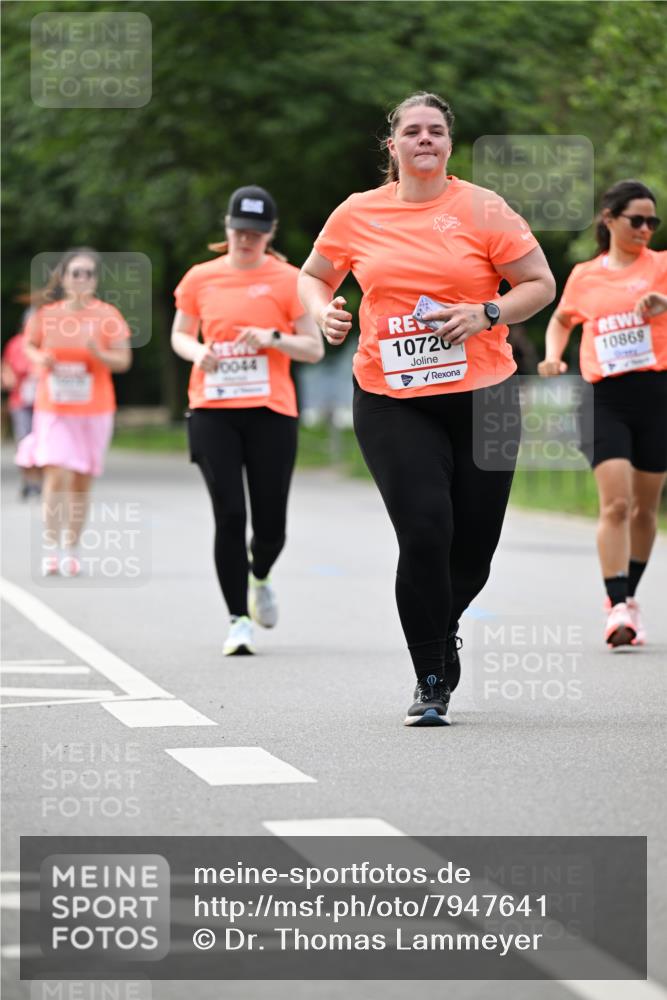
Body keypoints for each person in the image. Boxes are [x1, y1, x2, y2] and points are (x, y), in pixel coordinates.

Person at [298, 92, 555, 726]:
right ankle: (431, 676)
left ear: (448, 143)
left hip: (485, 394)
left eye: (435, 131)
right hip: (391, 396)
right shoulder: (358, 214)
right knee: (424, 531)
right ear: (392, 146)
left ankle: (443, 627)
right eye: (411, 131)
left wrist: (486, 312)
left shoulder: (482, 207)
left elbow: (540, 284)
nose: (424, 140)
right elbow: (312, 277)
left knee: (473, 550)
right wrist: (321, 311)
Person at [171, 185, 323, 656]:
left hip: (270, 412)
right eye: (239, 230)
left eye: (256, 233)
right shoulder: (200, 278)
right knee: (230, 515)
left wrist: (274, 338)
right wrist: (200, 354)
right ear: (227, 227)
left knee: (271, 523)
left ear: (269, 233)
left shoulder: (288, 279)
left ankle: (261, 575)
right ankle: (237, 619)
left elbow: (314, 348)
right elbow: (180, 335)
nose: (245, 239)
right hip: (213, 408)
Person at [539, 180, 666, 648]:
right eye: (637, 219)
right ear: (609, 219)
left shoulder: (662, 266)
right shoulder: (585, 275)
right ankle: (615, 606)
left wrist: (663, 304)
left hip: (656, 394)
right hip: (603, 399)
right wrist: (554, 355)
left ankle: (630, 595)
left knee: (645, 509)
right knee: (615, 503)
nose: (646, 229)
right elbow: (561, 318)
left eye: (653, 221)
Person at [17, 248, 132, 576]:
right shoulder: (46, 315)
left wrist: (99, 353)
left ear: (95, 280)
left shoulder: (108, 316)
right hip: (54, 406)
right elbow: (28, 346)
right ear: (64, 278)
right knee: (57, 473)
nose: (81, 279)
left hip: (94, 409)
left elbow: (123, 362)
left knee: (81, 482)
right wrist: (40, 360)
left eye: (88, 274)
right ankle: (51, 547)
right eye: (75, 273)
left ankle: (72, 548)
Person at [1, 319, 41, 498]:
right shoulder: (15, 344)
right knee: (24, 439)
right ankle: (28, 479)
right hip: (20, 400)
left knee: (42, 441)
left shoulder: (45, 343)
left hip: (44, 401)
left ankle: (40, 480)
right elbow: (6, 367)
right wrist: (9, 379)